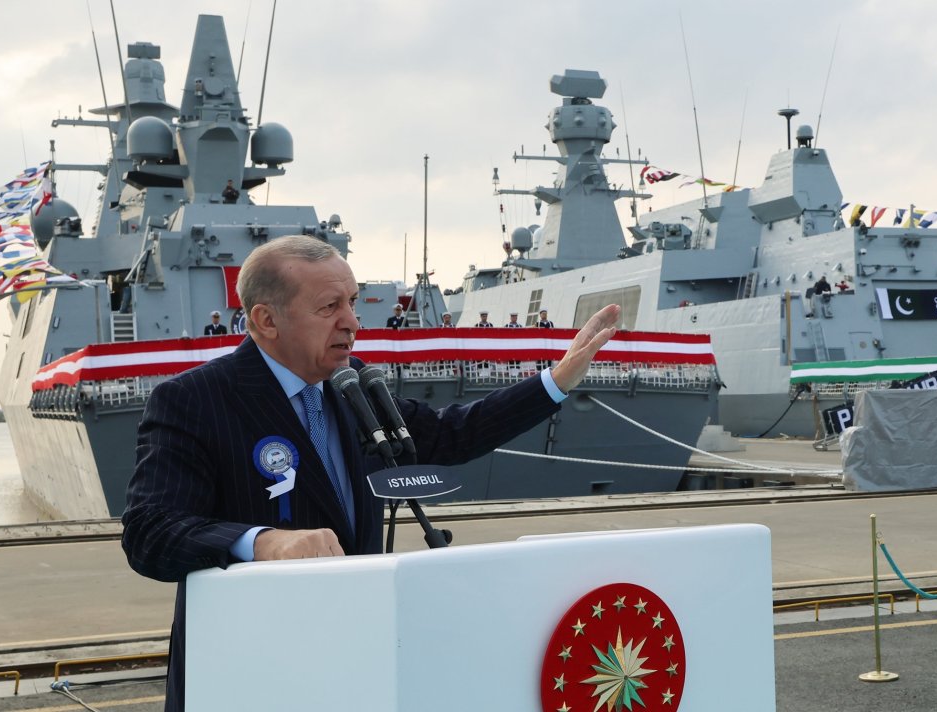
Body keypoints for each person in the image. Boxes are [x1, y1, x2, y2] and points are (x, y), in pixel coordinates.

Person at [119, 236, 622, 712]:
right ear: (266, 320)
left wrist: (554, 383)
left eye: (353, 302)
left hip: (355, 664)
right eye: (328, 307)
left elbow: (451, 435)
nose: (352, 322)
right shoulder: (195, 400)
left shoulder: (351, 385)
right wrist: (261, 542)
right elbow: (149, 533)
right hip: (253, 671)